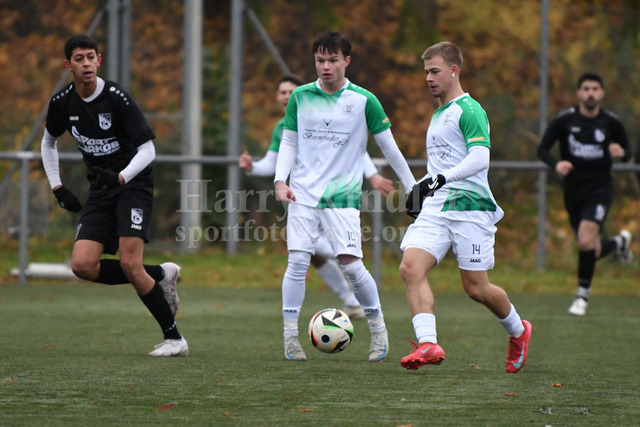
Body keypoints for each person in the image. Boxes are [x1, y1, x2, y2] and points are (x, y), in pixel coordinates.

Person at [40, 34, 187, 356]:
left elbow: (148, 150)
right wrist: (57, 186)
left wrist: (121, 176)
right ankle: (162, 274)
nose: (86, 63)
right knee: (82, 265)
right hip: (102, 189)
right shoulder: (62, 102)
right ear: (68, 65)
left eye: (91, 57)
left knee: (130, 263)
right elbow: (48, 142)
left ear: (99, 60)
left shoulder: (117, 98)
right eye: (79, 58)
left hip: (133, 184)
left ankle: (175, 339)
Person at [273, 31, 416, 362]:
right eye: (320, 60)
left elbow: (389, 147)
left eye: (333, 60)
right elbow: (289, 141)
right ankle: (290, 338)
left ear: (346, 61)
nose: (326, 66)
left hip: (342, 197)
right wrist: (280, 180)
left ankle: (378, 330)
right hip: (302, 194)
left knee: (351, 266)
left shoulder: (364, 100)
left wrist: (412, 186)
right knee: (297, 261)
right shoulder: (300, 97)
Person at [399, 41, 531, 373]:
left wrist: (438, 179)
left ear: (454, 70)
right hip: (438, 207)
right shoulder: (438, 114)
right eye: (426, 72)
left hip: (471, 207)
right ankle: (428, 343)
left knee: (476, 288)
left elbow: (479, 158)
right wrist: (421, 188)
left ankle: (518, 330)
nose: (428, 78)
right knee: (410, 268)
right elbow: (441, 167)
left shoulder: (469, 110)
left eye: (435, 71)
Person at [240, 74, 396, 320]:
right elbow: (272, 163)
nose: (287, 96)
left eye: (291, 91)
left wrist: (373, 175)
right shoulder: (282, 128)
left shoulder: (323, 114)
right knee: (309, 254)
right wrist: (252, 167)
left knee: (320, 252)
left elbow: (351, 145)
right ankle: (350, 300)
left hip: (335, 195)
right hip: (302, 197)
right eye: (282, 92)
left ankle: (354, 290)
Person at [537, 72, 632, 316]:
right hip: (573, 191)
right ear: (579, 93)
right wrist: (557, 164)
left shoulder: (610, 122)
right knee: (590, 247)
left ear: (602, 93)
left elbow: (628, 151)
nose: (591, 93)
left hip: (600, 189)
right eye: (586, 89)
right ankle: (620, 243)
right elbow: (542, 150)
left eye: (595, 89)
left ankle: (582, 296)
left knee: (585, 239)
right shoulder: (565, 120)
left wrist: (621, 152)